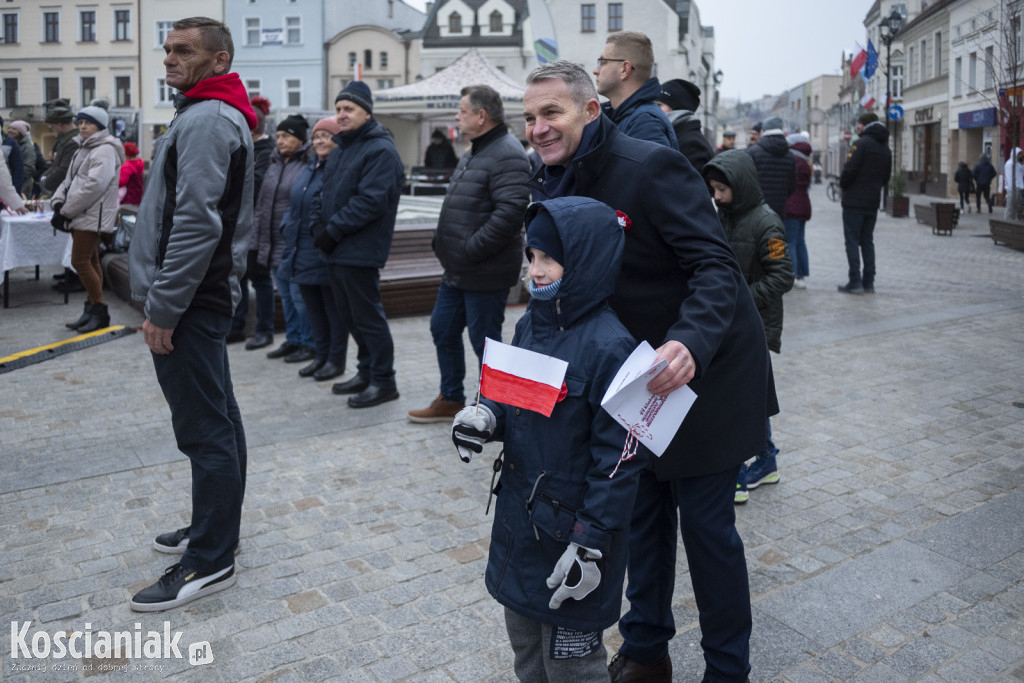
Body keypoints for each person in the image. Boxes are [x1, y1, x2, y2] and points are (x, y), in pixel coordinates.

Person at [523, 60, 776, 683]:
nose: (538, 128)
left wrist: (689, 342)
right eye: (528, 117)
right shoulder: (546, 178)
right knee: (641, 519)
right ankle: (645, 651)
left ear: (589, 109)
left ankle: (727, 668)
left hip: (703, 371)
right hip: (629, 376)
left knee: (707, 530)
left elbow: (716, 267)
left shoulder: (650, 165)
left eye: (550, 113)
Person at [451, 196, 647, 681]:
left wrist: (591, 544)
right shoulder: (530, 324)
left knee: (573, 665)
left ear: (585, 261)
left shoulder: (612, 346)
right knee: (525, 649)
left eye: (548, 258)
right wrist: (485, 417)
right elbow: (512, 402)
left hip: (575, 540)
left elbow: (620, 459)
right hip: (522, 521)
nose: (535, 270)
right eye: (531, 256)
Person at [127, 16, 254, 612]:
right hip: (202, 297)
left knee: (205, 431)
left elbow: (196, 223)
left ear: (219, 61)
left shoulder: (206, 118)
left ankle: (210, 559)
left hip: (191, 301)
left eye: (184, 51)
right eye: (168, 48)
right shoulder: (207, 111)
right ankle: (215, 530)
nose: (170, 58)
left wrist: (163, 307)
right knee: (219, 421)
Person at [407, 85, 530, 423]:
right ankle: (450, 398)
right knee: (442, 329)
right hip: (458, 269)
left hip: (484, 270)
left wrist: (470, 249)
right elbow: (458, 206)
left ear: (481, 115)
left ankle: (493, 407)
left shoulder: (507, 153)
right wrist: (442, 243)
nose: (457, 117)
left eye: (462, 111)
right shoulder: (473, 151)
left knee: (485, 343)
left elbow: (510, 213)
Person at [702, 151, 793, 504]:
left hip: (753, 324)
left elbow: (783, 275)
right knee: (749, 396)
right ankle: (766, 459)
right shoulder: (723, 215)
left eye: (722, 189)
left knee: (740, 398)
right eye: (713, 189)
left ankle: (739, 472)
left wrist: (741, 300)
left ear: (739, 186)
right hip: (731, 322)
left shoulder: (766, 222)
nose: (717, 196)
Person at [312, 80, 405, 409]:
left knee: (367, 317)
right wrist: (317, 226)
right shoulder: (344, 148)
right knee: (350, 316)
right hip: (338, 249)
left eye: (348, 109)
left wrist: (332, 230)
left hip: (361, 250)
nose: (341, 115)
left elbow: (370, 202)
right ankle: (366, 371)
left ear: (367, 113)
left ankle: (384, 380)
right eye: (338, 109)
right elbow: (324, 194)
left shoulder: (380, 150)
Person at [281, 117, 349, 382]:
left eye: (326, 135)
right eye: (317, 136)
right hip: (300, 249)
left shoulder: (337, 168)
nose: (320, 141)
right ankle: (320, 356)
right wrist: (285, 226)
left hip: (322, 249)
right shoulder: (309, 168)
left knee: (332, 310)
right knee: (314, 310)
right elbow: (294, 202)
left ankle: (335, 360)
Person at [51, 100, 125, 333]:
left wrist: (65, 210)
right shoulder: (86, 148)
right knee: (91, 261)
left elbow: (94, 186)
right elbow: (69, 181)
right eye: (80, 122)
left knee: (79, 261)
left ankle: (99, 309)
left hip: (90, 215)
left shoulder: (103, 150)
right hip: (81, 213)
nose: (82, 127)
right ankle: (92, 308)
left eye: (89, 123)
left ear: (100, 126)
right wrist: (57, 201)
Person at [257, 114, 316, 364]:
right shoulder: (274, 162)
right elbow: (262, 204)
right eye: (278, 136)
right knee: (286, 296)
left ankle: (308, 343)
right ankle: (293, 340)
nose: (280, 141)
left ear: (300, 139)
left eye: (286, 136)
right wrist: (257, 240)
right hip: (272, 241)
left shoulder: (307, 164)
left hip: (293, 242)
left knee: (299, 297)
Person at [227, 95, 274, 345]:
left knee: (261, 279)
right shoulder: (242, 145)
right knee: (238, 277)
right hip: (239, 224)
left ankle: (265, 331)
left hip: (259, 225)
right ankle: (236, 328)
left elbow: (254, 184)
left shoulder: (267, 150)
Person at [593, 31, 677, 148]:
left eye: (602, 62)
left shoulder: (647, 124)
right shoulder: (616, 116)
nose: (595, 71)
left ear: (624, 69)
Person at [838, 112, 891, 295]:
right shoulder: (885, 148)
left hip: (854, 202)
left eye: (859, 124)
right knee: (867, 241)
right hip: (872, 202)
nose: (857, 127)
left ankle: (855, 281)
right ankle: (869, 282)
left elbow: (849, 170)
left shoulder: (860, 144)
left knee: (852, 241)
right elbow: (886, 178)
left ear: (865, 125)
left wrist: (843, 185)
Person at [655, 78, 714, 174]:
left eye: (659, 105)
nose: (654, 109)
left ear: (677, 109)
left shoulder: (692, 145)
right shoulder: (676, 135)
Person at [747, 116, 796, 221]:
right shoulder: (790, 156)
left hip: (757, 210)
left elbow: (747, 182)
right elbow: (792, 186)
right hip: (779, 210)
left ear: (763, 131)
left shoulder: (753, 152)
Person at [785, 132, 813, 289]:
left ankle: (793, 275)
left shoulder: (793, 160)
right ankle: (801, 275)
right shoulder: (805, 160)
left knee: (791, 242)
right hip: (803, 205)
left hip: (791, 206)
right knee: (800, 241)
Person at [41, 99, 79, 196]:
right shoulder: (67, 138)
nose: (51, 128)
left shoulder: (73, 141)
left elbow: (64, 169)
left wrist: (46, 182)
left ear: (61, 124)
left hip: (68, 191)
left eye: (52, 126)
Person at [7, 120, 36, 198]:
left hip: (22, 185)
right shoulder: (7, 144)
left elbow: (29, 166)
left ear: (21, 132)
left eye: (14, 129)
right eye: (9, 128)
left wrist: (16, 179)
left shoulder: (28, 147)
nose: (10, 130)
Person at [0, 116, 24, 198]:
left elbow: (18, 169)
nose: (10, 130)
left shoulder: (10, 143)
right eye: (9, 128)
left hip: (5, 190)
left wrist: (15, 193)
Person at [118, 142, 145, 207]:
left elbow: (121, 182)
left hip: (128, 198)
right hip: (137, 196)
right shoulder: (139, 163)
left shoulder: (127, 166)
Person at [1003, 147, 1024, 220]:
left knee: (1015, 208)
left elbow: (1022, 174)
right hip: (1013, 189)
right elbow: (1009, 179)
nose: (1021, 156)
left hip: (1019, 189)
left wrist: (1022, 164)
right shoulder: (1009, 164)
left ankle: (1013, 222)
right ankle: (1007, 222)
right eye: (1020, 154)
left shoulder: (1018, 164)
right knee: (1010, 208)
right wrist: (1013, 189)